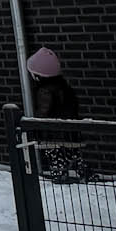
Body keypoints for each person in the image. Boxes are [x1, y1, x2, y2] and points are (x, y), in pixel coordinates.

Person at [27, 47, 94, 181]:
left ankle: (60, 176)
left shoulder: (44, 91)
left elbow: (43, 112)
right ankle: (85, 173)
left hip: (53, 133)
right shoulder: (64, 87)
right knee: (74, 154)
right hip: (70, 131)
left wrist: (35, 126)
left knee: (56, 157)